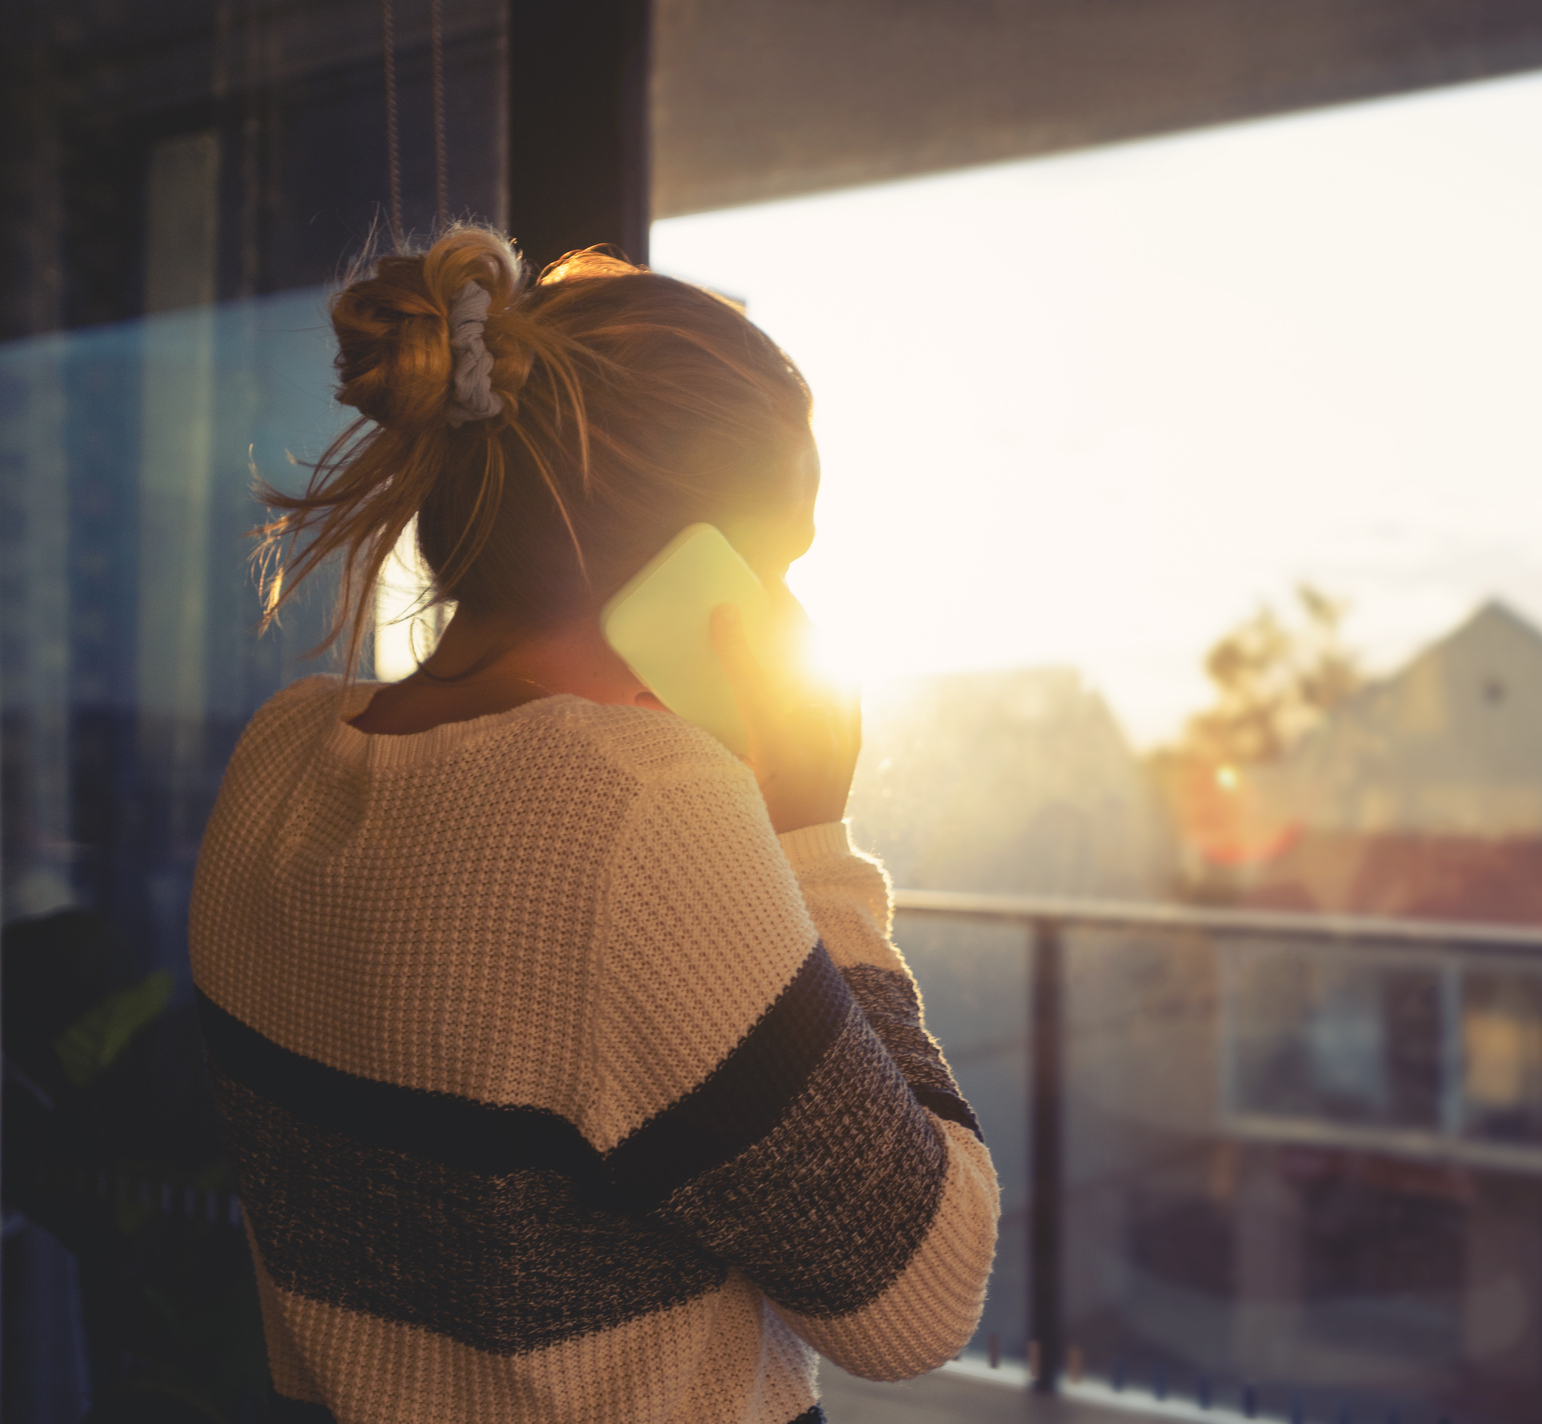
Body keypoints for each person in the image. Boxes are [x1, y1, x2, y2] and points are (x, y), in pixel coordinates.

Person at [188, 227, 998, 1424]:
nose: (786, 610)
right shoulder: (638, 813)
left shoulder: (279, 756)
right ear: (696, 568)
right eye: (774, 563)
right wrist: (809, 839)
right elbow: (917, 1294)